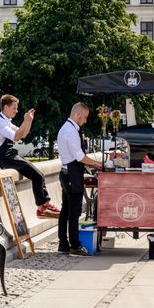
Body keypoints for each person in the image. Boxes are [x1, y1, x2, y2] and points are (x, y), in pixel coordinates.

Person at [0, 94, 60, 218]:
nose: (16, 111)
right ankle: (43, 206)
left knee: (37, 175)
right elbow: (16, 136)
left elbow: (23, 134)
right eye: (14, 108)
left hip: (9, 155)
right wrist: (25, 121)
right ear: (5, 107)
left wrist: (29, 121)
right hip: (5, 157)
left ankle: (42, 207)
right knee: (37, 175)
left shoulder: (5, 121)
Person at [57, 102, 102, 256]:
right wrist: (97, 163)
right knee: (74, 211)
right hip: (72, 175)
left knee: (66, 210)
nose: (85, 121)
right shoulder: (71, 131)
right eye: (85, 117)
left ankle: (63, 243)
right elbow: (79, 156)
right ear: (77, 115)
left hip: (66, 173)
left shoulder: (67, 128)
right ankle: (75, 245)